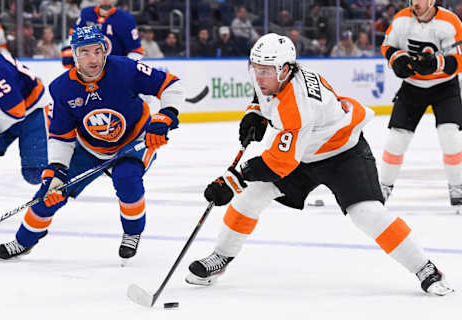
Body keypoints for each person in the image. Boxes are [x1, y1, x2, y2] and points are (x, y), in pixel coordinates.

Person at [185, 33, 453, 296]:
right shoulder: (275, 74)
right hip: (304, 151)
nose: (258, 76)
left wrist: (231, 182)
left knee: (367, 213)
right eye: (255, 68)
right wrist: (255, 113)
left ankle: (425, 268)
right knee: (249, 199)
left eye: (265, 71)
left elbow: (278, 162)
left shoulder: (298, 104)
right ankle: (221, 256)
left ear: (285, 70)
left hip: (342, 153)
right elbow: (261, 96)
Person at [0, 26, 183, 263]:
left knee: (127, 179)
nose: (93, 59)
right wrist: (57, 169)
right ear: (74, 55)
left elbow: (170, 84)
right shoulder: (62, 88)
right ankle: (23, 241)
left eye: (97, 51)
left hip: (133, 142)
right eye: (85, 52)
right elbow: (61, 135)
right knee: (49, 194)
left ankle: (132, 232)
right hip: (88, 148)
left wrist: (165, 117)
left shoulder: (125, 69)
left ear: (105, 51)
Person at [379, 0, 462, 213]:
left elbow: (459, 59)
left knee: (450, 137)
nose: (415, 2)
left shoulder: (450, 22)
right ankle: (382, 188)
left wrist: (437, 64)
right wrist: (397, 60)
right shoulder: (401, 20)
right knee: (396, 139)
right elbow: (388, 46)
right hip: (412, 87)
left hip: (444, 86)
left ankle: (458, 188)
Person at [0, 49, 50, 223]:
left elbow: (16, 111)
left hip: (33, 112)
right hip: (7, 111)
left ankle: (82, 152)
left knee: (35, 174)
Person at [62, 0, 145, 68]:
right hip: (88, 69)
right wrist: (70, 59)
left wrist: (124, 69)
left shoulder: (126, 19)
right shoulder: (86, 13)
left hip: (114, 71)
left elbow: (136, 51)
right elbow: (73, 38)